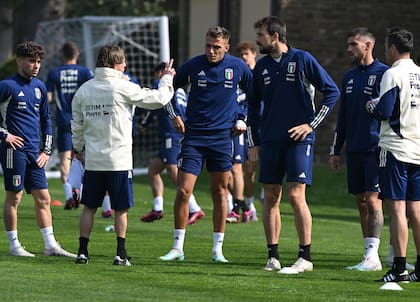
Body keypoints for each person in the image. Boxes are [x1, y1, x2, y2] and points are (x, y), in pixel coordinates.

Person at [248, 16, 340, 273]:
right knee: (271, 196)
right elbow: (252, 108)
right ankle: (273, 256)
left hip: (300, 140)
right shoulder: (261, 68)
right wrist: (253, 143)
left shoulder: (302, 59)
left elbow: (332, 92)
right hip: (270, 140)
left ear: (275, 37)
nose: (257, 41)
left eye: (261, 36)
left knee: (295, 194)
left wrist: (311, 125)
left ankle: (305, 257)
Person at [71, 44, 175, 265]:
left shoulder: (84, 90)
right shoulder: (123, 87)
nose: (126, 65)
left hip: (94, 161)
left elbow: (77, 126)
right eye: (124, 61)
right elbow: (158, 99)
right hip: (118, 160)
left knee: (89, 207)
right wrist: (166, 78)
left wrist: (79, 150)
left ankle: (82, 252)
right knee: (120, 209)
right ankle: (120, 253)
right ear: (115, 63)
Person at [159, 26, 252, 263]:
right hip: (194, 139)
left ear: (227, 48)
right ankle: (178, 247)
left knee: (220, 192)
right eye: (208, 46)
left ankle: (217, 250)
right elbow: (166, 91)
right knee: (183, 190)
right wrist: (175, 116)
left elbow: (255, 95)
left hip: (222, 139)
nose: (211, 51)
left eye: (217, 47)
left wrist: (242, 118)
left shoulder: (238, 67)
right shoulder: (192, 66)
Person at [0, 41, 76, 258]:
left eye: (39, 62)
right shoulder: (6, 86)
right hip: (14, 151)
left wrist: (46, 151)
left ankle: (50, 245)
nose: (36, 65)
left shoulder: (40, 87)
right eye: (31, 61)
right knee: (15, 197)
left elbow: (46, 121)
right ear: (19, 61)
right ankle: (14, 245)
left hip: (36, 152)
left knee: (44, 197)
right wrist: (5, 135)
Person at [329, 28, 388, 271]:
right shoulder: (349, 77)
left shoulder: (385, 74)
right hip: (353, 149)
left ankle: (379, 254)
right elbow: (342, 117)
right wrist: (335, 149)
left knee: (374, 201)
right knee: (361, 202)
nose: (348, 49)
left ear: (367, 46)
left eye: (353, 44)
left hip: (376, 148)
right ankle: (369, 255)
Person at [366, 27, 420, 283]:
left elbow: (385, 110)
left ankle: (398, 268)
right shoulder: (419, 74)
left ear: (392, 48)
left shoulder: (392, 73)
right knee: (417, 211)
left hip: (396, 149)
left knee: (397, 210)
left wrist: (372, 105)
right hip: (418, 151)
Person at [140, 63, 204, 224]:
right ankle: (157, 208)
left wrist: (144, 124)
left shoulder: (163, 85)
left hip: (171, 132)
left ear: (160, 73)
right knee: (153, 171)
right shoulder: (181, 89)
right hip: (179, 131)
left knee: (174, 171)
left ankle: (195, 208)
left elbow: (154, 105)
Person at [45, 42, 94, 210]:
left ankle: (68, 196)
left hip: (64, 120)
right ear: (77, 54)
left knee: (65, 159)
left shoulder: (54, 73)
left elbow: (49, 97)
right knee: (86, 158)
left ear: (62, 54)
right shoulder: (85, 72)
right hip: (83, 120)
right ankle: (83, 194)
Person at [226, 41, 259, 224]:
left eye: (247, 54)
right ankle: (242, 206)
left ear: (254, 54)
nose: (244, 58)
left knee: (249, 171)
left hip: (256, 127)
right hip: (239, 127)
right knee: (234, 168)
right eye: (241, 55)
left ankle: (249, 204)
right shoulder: (238, 77)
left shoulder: (259, 74)